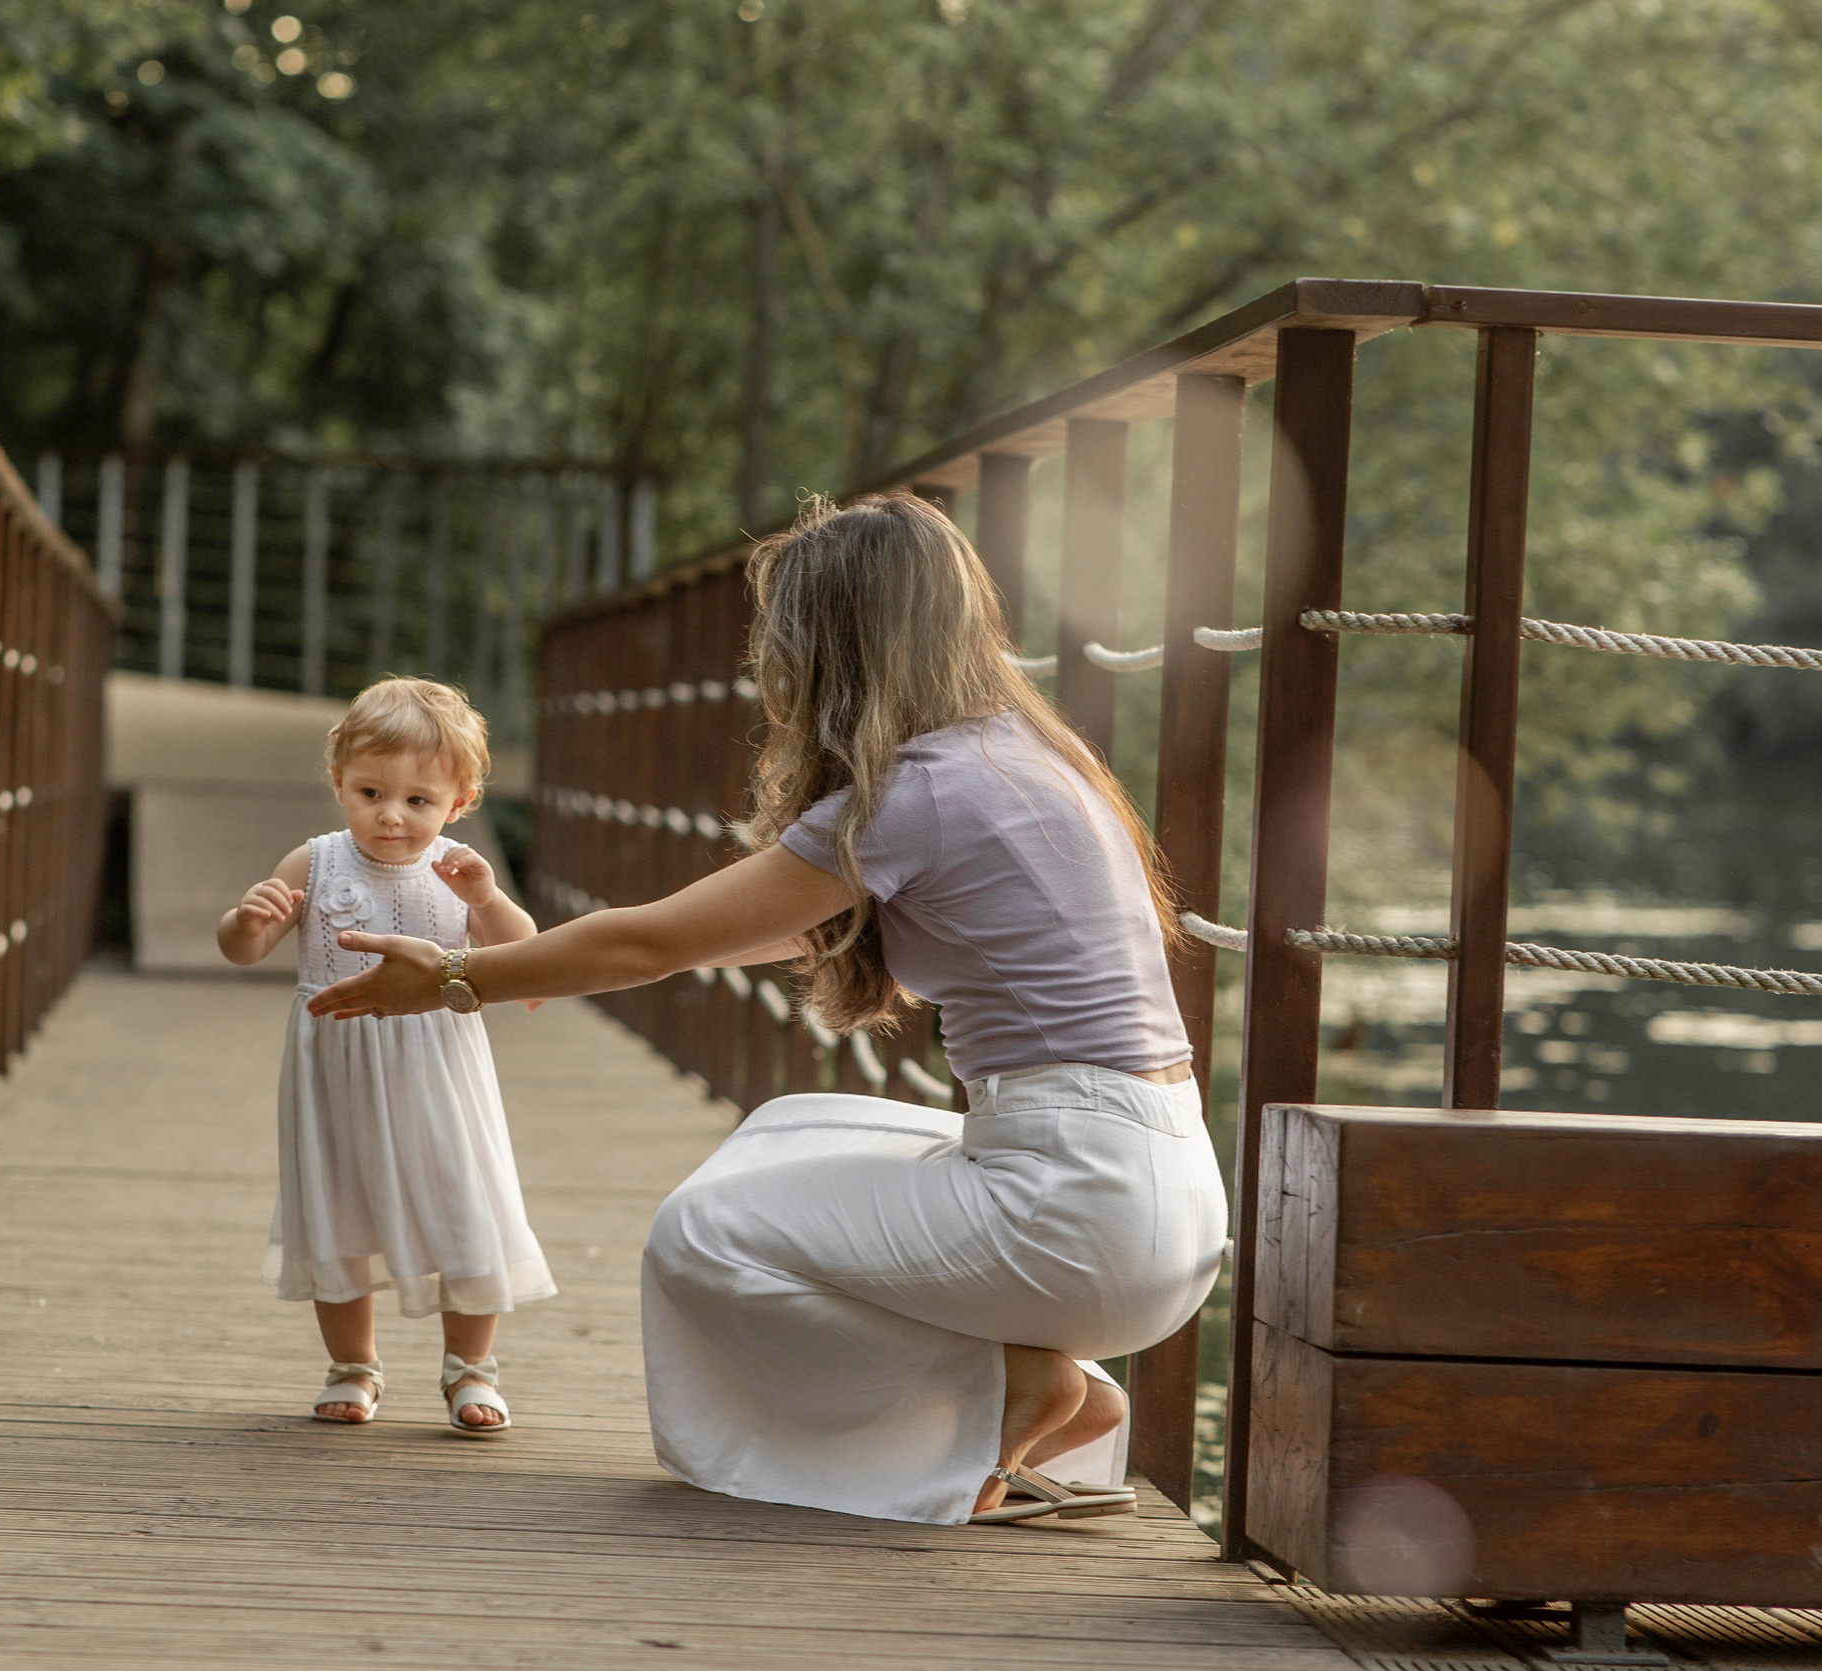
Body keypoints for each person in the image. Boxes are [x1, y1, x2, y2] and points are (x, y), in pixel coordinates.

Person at [304, 493, 1227, 1525]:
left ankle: (1004, 1398)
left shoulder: (915, 791)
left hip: (1076, 1210)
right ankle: (1016, 1400)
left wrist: (450, 980)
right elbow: (716, 935)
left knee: (702, 1235)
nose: (767, 665)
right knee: (785, 1130)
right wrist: (537, 964)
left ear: (829, 642)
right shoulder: (1027, 754)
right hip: (1162, 1192)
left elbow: (651, 940)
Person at [216, 676, 555, 1434]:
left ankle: (471, 1366)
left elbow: (528, 953)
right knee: (336, 1203)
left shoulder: (462, 869)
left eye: (418, 801)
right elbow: (245, 949)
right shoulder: (315, 861)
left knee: (464, 1201)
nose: (391, 816)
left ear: (459, 801)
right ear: (338, 782)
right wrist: (247, 917)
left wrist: (489, 900)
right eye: (370, 791)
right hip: (336, 1066)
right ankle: (352, 1363)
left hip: (437, 1063)